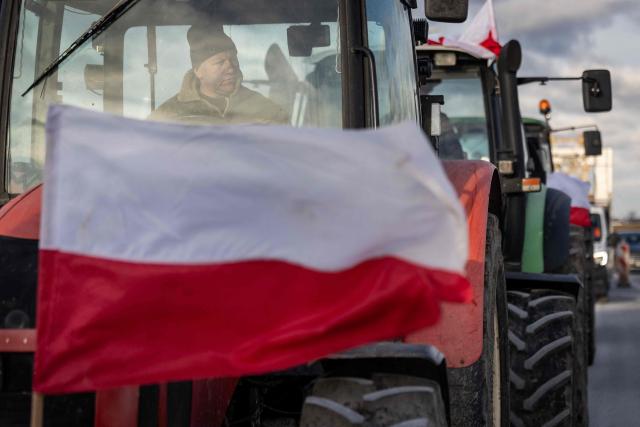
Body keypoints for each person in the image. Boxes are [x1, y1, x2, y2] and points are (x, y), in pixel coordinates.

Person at [150, 25, 289, 125]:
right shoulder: (168, 114)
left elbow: (289, 152)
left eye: (233, 59)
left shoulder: (265, 109)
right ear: (198, 70)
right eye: (220, 62)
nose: (230, 68)